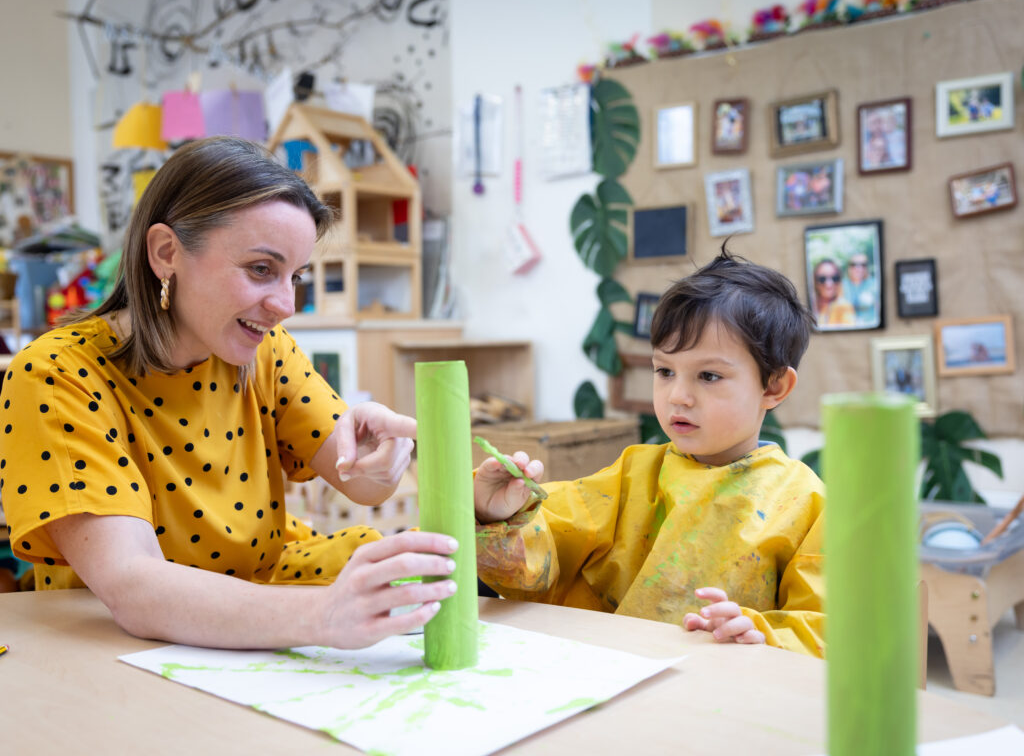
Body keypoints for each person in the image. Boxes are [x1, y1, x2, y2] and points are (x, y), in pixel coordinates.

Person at [0, 137, 460, 650]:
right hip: (121, 647)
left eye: (296, 276)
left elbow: (364, 484)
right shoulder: (57, 374)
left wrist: (384, 457)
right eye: (262, 269)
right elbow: (134, 587)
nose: (286, 303)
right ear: (167, 253)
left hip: (259, 602)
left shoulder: (263, 350)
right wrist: (322, 615)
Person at [472, 246, 826, 657]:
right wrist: (499, 515)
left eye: (709, 376)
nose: (678, 396)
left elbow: (824, 628)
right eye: (664, 371)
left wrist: (762, 633)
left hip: (725, 699)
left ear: (773, 387)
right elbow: (540, 558)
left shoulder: (806, 503)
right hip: (615, 679)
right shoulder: (631, 475)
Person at [812, 258, 855, 328]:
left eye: (835, 278)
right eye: (822, 279)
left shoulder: (844, 307)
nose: (829, 284)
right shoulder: (810, 305)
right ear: (815, 281)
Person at [842, 253, 879, 326]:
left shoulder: (874, 284)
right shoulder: (841, 285)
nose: (858, 268)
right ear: (849, 267)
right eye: (854, 264)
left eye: (863, 265)